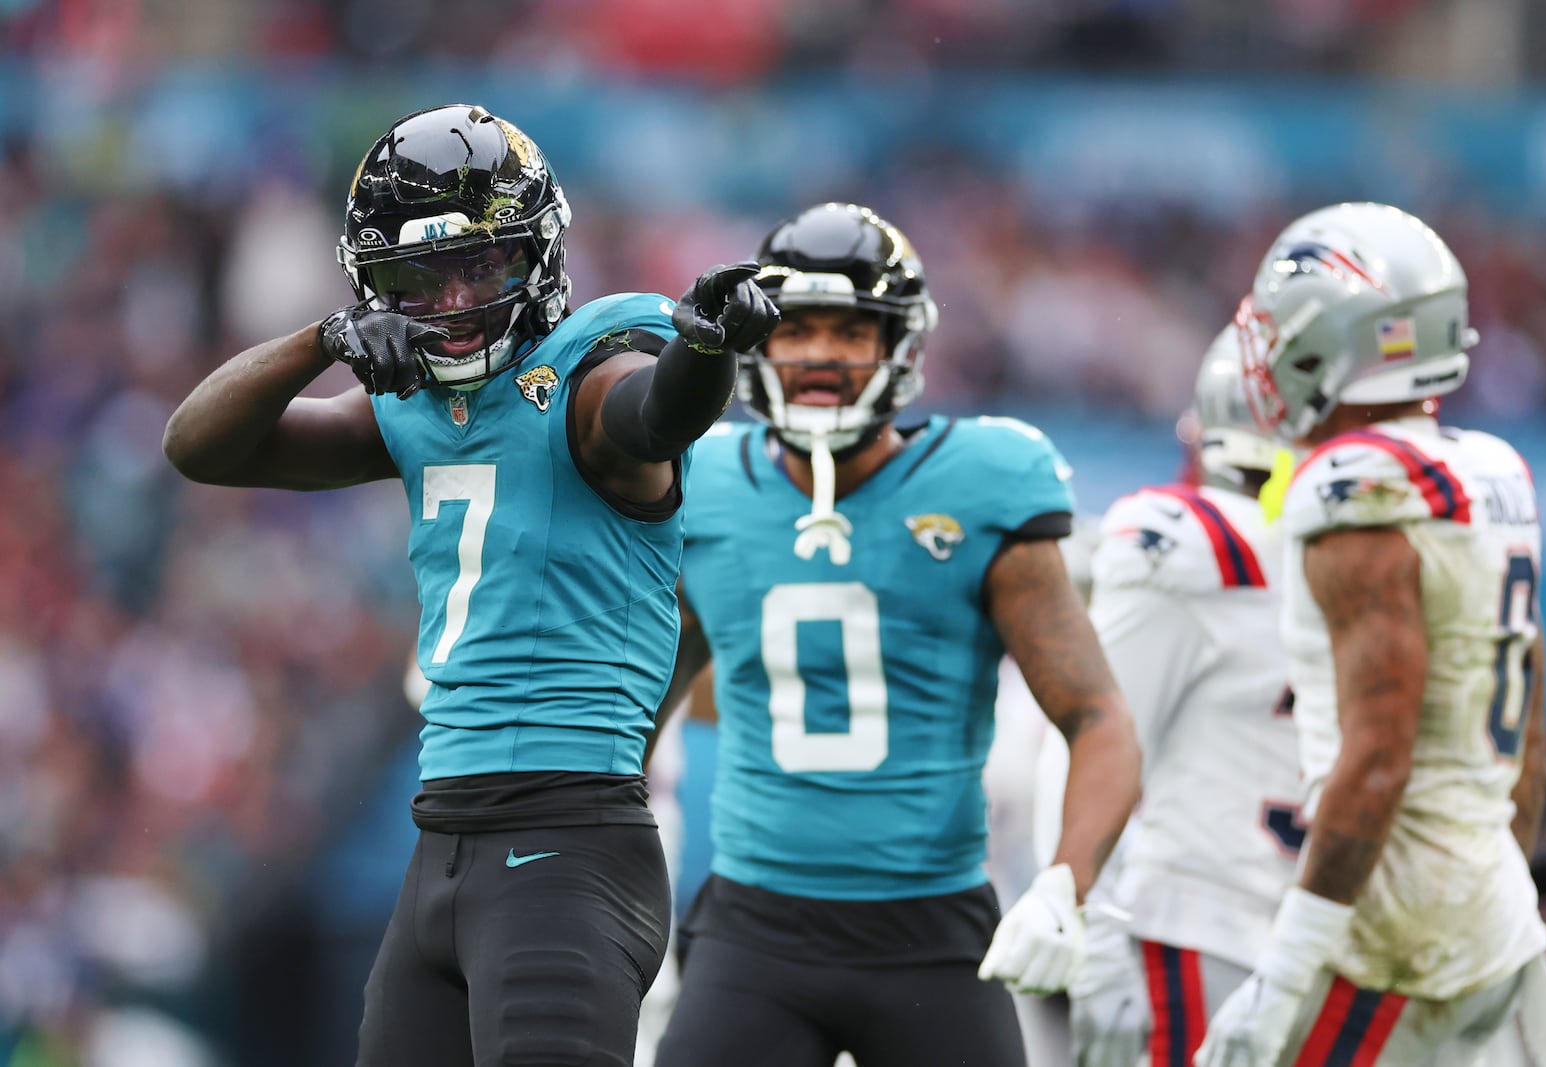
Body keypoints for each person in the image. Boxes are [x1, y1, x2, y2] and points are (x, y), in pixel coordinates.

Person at [161, 103, 778, 1067]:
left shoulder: (587, 379)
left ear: (537, 258)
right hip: (439, 843)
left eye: (481, 266)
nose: (451, 302)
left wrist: (706, 348)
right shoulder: (411, 408)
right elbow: (200, 445)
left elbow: (657, 416)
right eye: (419, 278)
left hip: (566, 841)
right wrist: (323, 341)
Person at [646, 202, 1142, 1067]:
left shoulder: (983, 480)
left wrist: (1066, 884)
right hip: (752, 930)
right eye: (797, 331)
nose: (821, 357)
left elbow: (1098, 717)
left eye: (851, 331)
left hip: (934, 929)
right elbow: (644, 704)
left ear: (901, 346)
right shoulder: (706, 479)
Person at [1194, 202, 1546, 1066]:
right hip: (1486, 915)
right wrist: (1491, 887)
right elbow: (1533, 752)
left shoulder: (1357, 485)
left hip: (1389, 933)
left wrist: (1287, 967)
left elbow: (1376, 759)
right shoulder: (1488, 472)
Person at [1034, 325, 1301, 1067]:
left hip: (1262, 924)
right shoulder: (1202, 546)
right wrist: (1089, 919)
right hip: (1226, 925)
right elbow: (1095, 736)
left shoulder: (1200, 542)